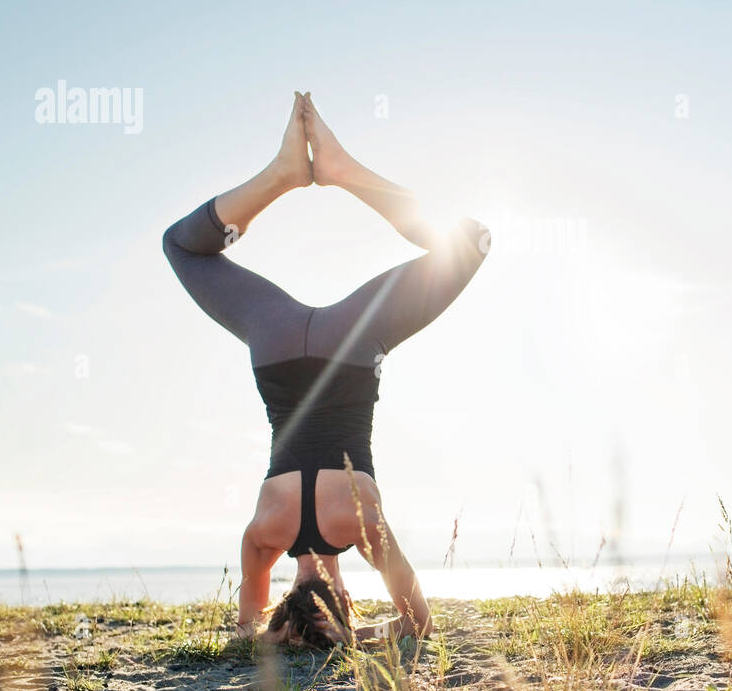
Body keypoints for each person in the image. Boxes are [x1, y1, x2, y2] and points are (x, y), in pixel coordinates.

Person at [162, 92, 489, 647]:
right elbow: (246, 628)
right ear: (287, 596)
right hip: (278, 347)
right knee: (182, 247)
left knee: (469, 243)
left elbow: (418, 626)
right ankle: (289, 176)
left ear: (344, 599)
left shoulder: (356, 532)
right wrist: (268, 634)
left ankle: (338, 172)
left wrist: (358, 634)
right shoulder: (266, 536)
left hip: (351, 348)